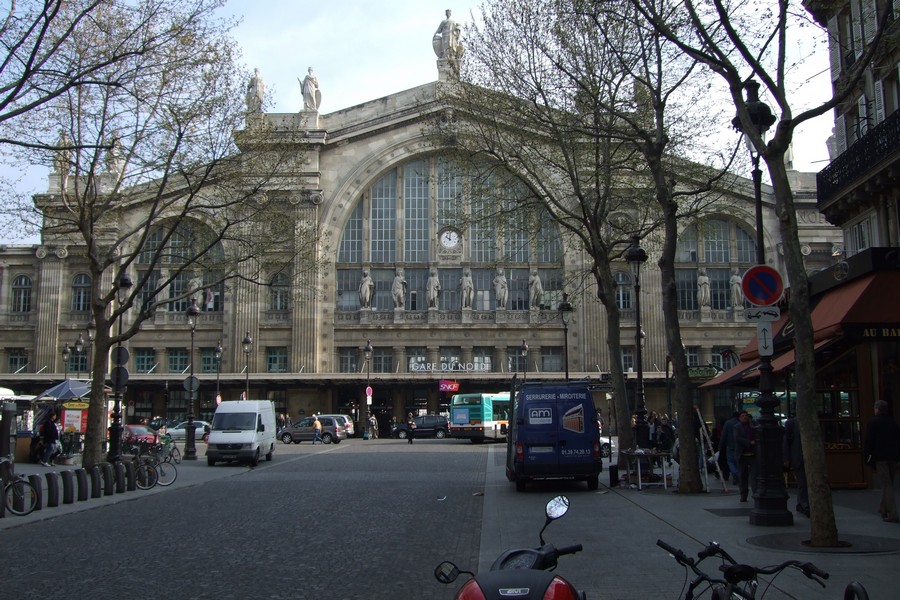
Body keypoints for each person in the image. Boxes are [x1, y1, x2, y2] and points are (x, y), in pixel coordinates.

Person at [863, 400, 900, 522]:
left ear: (877, 409)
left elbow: (869, 441)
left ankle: (892, 513)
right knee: (888, 483)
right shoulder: (893, 422)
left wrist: (867, 456)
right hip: (893, 457)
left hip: (880, 458)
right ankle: (883, 508)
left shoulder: (873, 422)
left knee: (886, 485)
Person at [783, 416, 809, 517]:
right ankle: (804, 504)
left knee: (805, 482)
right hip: (799, 457)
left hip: (808, 457)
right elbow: (786, 441)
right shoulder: (792, 423)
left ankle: (802, 503)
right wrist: (786, 458)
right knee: (803, 482)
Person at [732, 411, 756, 502]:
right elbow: (737, 438)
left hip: (753, 455)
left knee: (754, 476)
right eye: (742, 416)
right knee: (742, 476)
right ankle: (743, 494)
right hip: (742, 455)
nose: (745, 417)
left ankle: (755, 493)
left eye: (746, 416)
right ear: (739, 418)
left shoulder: (753, 426)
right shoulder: (737, 427)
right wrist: (749, 442)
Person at [719, 411, 739, 484]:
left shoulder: (728, 423)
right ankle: (737, 474)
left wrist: (721, 445)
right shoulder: (739, 422)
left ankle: (735, 474)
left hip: (730, 444)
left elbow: (724, 435)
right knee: (737, 461)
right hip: (739, 445)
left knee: (730, 461)